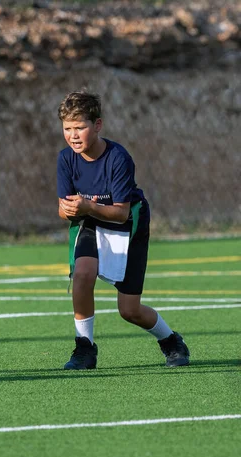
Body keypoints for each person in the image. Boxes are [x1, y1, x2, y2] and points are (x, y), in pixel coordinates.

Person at [56, 90, 190, 370]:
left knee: (129, 310)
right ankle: (85, 348)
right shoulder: (66, 159)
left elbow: (121, 213)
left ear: (97, 125)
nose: (74, 135)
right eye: (68, 128)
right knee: (82, 274)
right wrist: (69, 210)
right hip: (92, 221)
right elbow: (63, 208)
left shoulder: (118, 158)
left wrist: (87, 206)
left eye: (80, 127)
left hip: (129, 225)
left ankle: (171, 341)